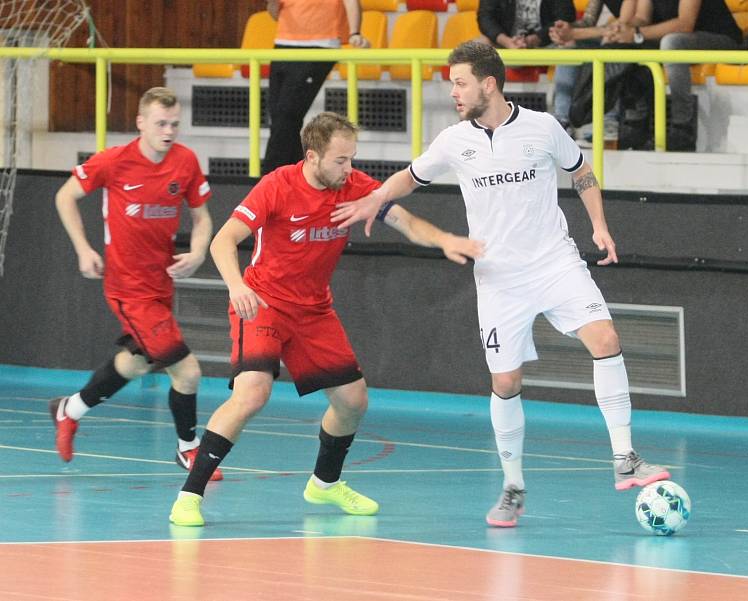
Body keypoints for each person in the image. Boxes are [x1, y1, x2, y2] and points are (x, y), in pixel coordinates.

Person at [331, 41, 670, 528]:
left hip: (555, 262)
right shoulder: (453, 140)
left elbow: (582, 173)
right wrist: (375, 199)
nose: (453, 91)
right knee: (506, 382)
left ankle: (625, 457)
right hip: (499, 278)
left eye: (461, 82)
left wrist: (599, 226)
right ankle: (512, 486)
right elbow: (410, 176)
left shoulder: (543, 127)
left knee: (606, 338)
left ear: (489, 84)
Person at [168, 112, 483, 527]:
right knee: (252, 393)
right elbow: (224, 240)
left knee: (353, 402)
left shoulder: (354, 187)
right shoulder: (278, 186)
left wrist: (444, 239)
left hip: (314, 310)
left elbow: (403, 220)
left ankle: (325, 484)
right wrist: (236, 286)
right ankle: (190, 495)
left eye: (352, 158)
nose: (349, 168)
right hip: (263, 303)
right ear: (313, 156)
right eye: (341, 160)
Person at [51, 87, 222, 481]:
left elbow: (202, 219)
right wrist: (83, 248)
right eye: (161, 124)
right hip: (127, 288)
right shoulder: (114, 162)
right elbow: (65, 197)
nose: (169, 131)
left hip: (162, 283)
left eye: (175, 124)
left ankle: (69, 410)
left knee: (136, 363)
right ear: (141, 123)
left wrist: (197, 253)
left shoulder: (185, 162)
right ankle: (187, 450)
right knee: (188, 371)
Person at [603, 0, 742, 151]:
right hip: (680, 36)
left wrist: (636, 33)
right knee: (622, 44)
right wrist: (623, 29)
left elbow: (685, 24)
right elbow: (643, 18)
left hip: (720, 37)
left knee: (672, 43)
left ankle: (682, 126)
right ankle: (636, 122)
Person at [262, 0, 370, 174]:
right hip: (283, 43)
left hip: (320, 44)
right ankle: (295, 176)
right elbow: (275, 12)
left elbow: (351, 2)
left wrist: (354, 33)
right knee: (279, 117)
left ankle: (271, 176)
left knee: (286, 114)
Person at [548, 0, 626, 140]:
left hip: (641, 36)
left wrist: (575, 33)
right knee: (569, 46)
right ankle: (562, 120)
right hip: (613, 34)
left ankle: (608, 121)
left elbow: (624, 25)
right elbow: (589, 20)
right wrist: (567, 29)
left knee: (611, 44)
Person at [477, 0, 576, 50]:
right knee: (477, 46)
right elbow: (485, 17)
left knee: (569, 42)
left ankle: (563, 90)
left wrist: (536, 38)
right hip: (507, 41)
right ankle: (480, 89)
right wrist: (506, 41)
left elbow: (565, 16)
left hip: (547, 41)